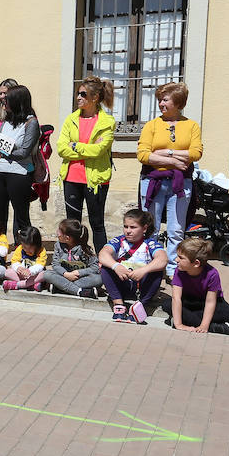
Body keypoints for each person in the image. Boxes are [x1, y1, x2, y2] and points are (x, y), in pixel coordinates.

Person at [137, 82, 203, 279]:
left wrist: (166, 152)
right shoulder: (152, 125)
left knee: (176, 230)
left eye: (165, 99)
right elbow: (143, 155)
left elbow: (196, 152)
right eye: (159, 100)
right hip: (152, 181)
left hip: (180, 184)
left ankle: (172, 269)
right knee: (151, 228)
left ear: (178, 102)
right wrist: (174, 160)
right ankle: (151, 266)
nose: (161, 104)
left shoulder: (191, 125)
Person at [56, 77, 116, 252]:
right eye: (78, 94)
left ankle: (103, 262)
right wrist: (87, 148)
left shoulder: (107, 122)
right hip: (71, 177)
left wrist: (74, 145)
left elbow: (99, 150)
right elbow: (61, 148)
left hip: (96, 180)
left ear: (95, 97)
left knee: (97, 223)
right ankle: (74, 258)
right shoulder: (70, 119)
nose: (78, 98)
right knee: (72, 224)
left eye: (83, 94)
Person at [0, 85, 40, 241]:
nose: (3, 102)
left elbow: (24, 152)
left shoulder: (31, 123)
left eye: (7, 99)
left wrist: (5, 153)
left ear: (17, 102)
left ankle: (26, 250)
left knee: (21, 215)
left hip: (20, 174)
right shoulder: (6, 122)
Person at [99, 209, 167, 323]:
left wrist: (144, 270)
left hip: (141, 286)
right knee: (105, 267)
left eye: (133, 227)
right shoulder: (119, 241)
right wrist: (116, 266)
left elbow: (163, 259)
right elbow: (102, 254)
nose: (128, 231)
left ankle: (140, 306)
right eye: (126, 227)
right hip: (123, 283)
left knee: (157, 271)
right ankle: (119, 306)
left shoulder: (150, 243)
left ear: (144, 228)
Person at [162, 238, 229, 335]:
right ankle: (216, 327)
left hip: (207, 303)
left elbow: (210, 302)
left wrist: (204, 325)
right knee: (167, 304)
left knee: (228, 312)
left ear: (196, 263)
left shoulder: (212, 274)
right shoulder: (179, 271)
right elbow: (176, 298)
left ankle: (182, 321)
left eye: (181, 257)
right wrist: (179, 325)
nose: (176, 260)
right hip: (189, 301)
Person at [42, 219, 102, 299]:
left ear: (67, 238)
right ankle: (80, 292)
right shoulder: (58, 246)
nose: (57, 232)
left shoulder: (84, 249)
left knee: (99, 279)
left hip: (79, 278)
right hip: (63, 276)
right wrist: (66, 274)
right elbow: (55, 264)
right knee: (47, 274)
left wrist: (79, 272)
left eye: (60, 231)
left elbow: (95, 267)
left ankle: (61, 288)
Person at [2, 226, 48, 292]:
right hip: (22, 275)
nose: (26, 250)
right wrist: (18, 268)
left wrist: (29, 271)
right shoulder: (20, 248)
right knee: (7, 272)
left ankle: (17, 285)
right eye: (24, 247)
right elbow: (14, 261)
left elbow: (40, 265)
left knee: (44, 274)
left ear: (36, 245)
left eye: (29, 248)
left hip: (34, 275)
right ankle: (31, 285)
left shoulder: (41, 251)